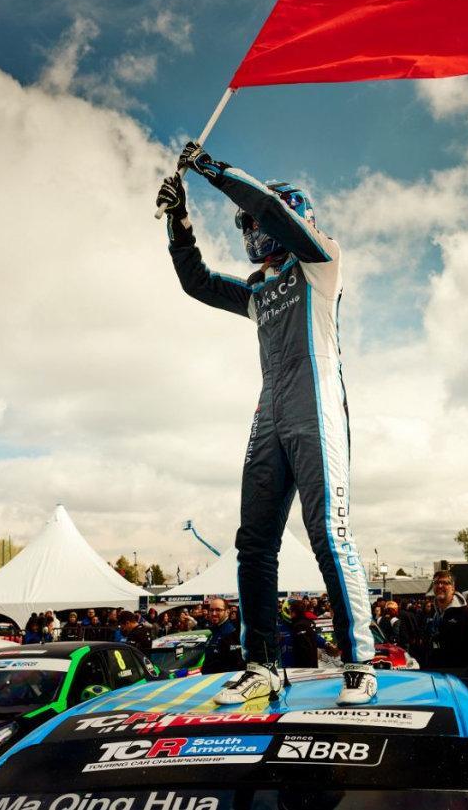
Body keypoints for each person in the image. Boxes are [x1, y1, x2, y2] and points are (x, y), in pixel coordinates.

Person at [158, 142, 377, 707]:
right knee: (253, 544)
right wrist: (180, 223)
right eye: (246, 225)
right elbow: (198, 283)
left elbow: (273, 211)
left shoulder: (322, 262)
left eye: (253, 221)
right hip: (269, 413)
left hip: (316, 408)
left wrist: (214, 171)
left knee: (327, 531)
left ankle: (359, 660)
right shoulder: (259, 292)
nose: (252, 229)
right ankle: (261, 664)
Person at [421, 572, 468, 691]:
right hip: (435, 676)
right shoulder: (432, 613)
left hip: (460, 677)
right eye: (436, 582)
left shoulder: (467, 614)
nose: (440, 586)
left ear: (453, 588)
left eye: (445, 583)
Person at [200, 597, 246, 675]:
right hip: (208, 679)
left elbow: (237, 665)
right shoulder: (214, 630)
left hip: (222, 679)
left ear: (227, 612)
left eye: (218, 610)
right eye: (211, 610)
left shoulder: (232, 633)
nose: (214, 613)